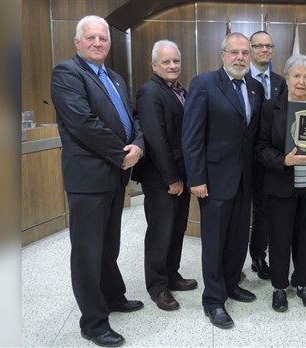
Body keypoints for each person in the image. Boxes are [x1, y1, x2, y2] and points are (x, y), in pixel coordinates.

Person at [50, 15, 144, 347]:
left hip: (115, 178)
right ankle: (93, 322)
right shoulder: (67, 74)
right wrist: (122, 154)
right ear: (77, 42)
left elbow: (132, 117)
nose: (97, 43)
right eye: (90, 38)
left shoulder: (115, 78)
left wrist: (139, 144)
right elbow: (83, 122)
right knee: (88, 252)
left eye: (103, 38)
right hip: (89, 179)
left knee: (109, 245)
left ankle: (112, 296)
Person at [182, 32, 265, 329]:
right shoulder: (204, 84)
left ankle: (231, 284)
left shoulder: (255, 88)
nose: (241, 57)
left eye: (245, 53)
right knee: (215, 242)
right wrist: (196, 178)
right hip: (214, 180)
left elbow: (253, 136)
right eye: (235, 52)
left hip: (245, 180)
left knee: (238, 239)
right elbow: (191, 136)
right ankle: (213, 300)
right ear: (223, 55)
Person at [255, 54, 306, 312]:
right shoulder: (271, 107)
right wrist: (284, 161)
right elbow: (260, 148)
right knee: (279, 239)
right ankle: (279, 287)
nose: (301, 82)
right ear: (287, 77)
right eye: (296, 76)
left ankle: (303, 282)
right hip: (282, 186)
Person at [131, 40, 198, 312]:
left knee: (178, 229)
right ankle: (158, 286)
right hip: (162, 178)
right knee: (160, 231)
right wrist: (172, 178)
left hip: (181, 173)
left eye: (176, 61)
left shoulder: (180, 90)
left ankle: (172, 274)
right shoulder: (149, 92)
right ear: (154, 65)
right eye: (166, 62)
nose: (172, 66)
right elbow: (156, 139)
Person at [248, 30, 287, 280]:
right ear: (251, 49)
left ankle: (263, 256)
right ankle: (251, 256)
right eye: (258, 46)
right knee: (249, 210)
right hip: (245, 156)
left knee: (268, 209)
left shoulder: (281, 81)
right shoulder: (241, 78)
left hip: (274, 156)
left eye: (268, 46)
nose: (264, 50)